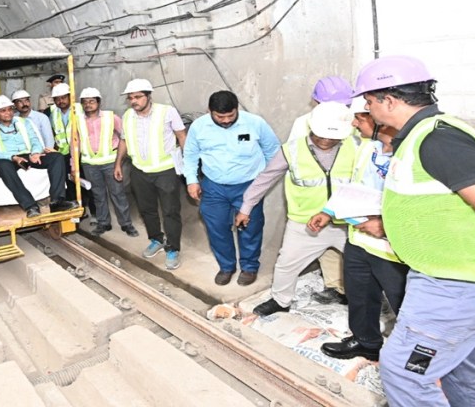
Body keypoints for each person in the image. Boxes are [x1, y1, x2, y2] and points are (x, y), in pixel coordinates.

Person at [353, 55, 475, 406]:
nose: (366, 109)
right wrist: (389, 225)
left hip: (457, 285)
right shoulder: (422, 136)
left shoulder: (437, 140)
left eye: (369, 102)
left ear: (389, 101)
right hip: (456, 277)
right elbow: (436, 202)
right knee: (458, 363)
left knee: (403, 371)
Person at [306, 96, 408, 361]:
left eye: (360, 118)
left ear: (380, 121)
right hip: (360, 239)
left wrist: (387, 224)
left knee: (406, 304)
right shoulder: (367, 148)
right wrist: (328, 211)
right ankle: (366, 341)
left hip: (394, 248)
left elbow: (424, 203)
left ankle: (414, 358)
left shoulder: (410, 154)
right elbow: (353, 186)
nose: (354, 123)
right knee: (360, 294)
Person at [237, 102, 358, 316]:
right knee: (286, 264)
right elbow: (265, 178)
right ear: (311, 128)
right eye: (321, 136)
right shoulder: (291, 150)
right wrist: (246, 207)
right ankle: (281, 301)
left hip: (349, 224)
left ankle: (356, 300)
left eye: (333, 138)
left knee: (364, 266)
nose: (326, 141)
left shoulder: (357, 146)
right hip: (305, 225)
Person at [184, 91, 280, 287]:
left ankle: (249, 267)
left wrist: (262, 182)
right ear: (209, 111)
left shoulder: (255, 123)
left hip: (249, 186)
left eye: (231, 115)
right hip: (213, 187)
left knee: (250, 228)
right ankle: (227, 267)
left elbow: (273, 152)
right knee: (217, 228)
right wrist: (192, 180)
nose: (226, 121)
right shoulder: (199, 127)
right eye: (220, 117)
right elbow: (191, 154)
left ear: (237, 108)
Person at [288, 76, 355, 305]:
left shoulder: (355, 122)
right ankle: (337, 287)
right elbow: (296, 157)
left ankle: (353, 291)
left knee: (352, 249)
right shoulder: (303, 123)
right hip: (319, 198)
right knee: (328, 245)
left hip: (348, 199)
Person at [113, 79, 187, 271]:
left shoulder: (167, 112)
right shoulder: (128, 116)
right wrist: (118, 164)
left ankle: (172, 249)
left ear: (148, 96)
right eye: (130, 98)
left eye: (137, 97)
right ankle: (156, 239)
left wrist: (188, 165)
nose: (133, 101)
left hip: (165, 171)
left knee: (170, 211)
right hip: (140, 171)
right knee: (147, 209)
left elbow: (182, 136)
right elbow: (124, 141)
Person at [0, 95, 75, 217]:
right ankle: (30, 206)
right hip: (3, 158)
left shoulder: (24, 122)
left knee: (57, 157)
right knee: (4, 167)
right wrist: (13, 157)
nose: (8, 113)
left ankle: (57, 201)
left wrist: (35, 153)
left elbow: (35, 140)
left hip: (27, 155)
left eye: (10, 109)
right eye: (3, 111)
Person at [78, 87, 137, 237]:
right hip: (89, 163)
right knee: (98, 194)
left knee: (118, 193)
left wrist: (123, 158)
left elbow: (125, 136)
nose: (88, 105)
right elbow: (75, 143)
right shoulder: (77, 121)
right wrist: (74, 166)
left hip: (111, 162)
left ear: (99, 102)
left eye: (92, 101)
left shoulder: (111, 118)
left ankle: (126, 224)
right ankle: (103, 223)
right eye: (85, 102)